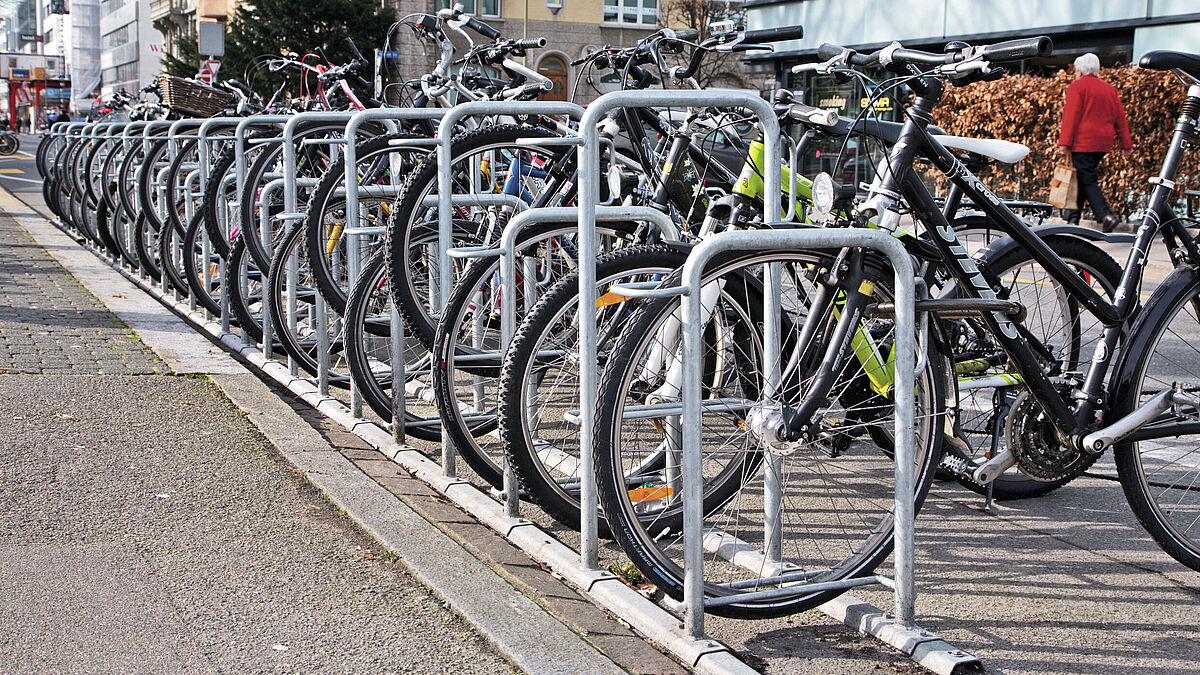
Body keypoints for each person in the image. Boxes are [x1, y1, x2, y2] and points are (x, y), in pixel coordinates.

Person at [1057, 52, 1133, 233]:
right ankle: (1072, 221)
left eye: (1076, 70)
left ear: (1081, 70)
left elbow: (1071, 116)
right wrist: (1126, 145)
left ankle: (1105, 216)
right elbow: (1120, 118)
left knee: (1087, 178)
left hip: (1083, 142)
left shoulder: (1077, 87)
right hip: (1102, 143)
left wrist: (1064, 142)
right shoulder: (1109, 89)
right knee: (1083, 177)